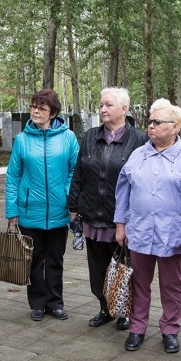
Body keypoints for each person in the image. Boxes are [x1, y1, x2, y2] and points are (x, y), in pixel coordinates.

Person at [114, 99, 181, 353]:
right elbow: (123, 191)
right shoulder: (139, 154)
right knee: (139, 282)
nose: (151, 126)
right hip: (139, 230)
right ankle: (137, 328)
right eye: (150, 121)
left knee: (172, 285)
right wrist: (120, 224)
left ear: (175, 127)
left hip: (172, 233)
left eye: (157, 122)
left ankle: (170, 329)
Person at [68, 88, 148, 330]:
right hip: (93, 215)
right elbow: (79, 175)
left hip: (122, 219)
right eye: (101, 105)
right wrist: (73, 207)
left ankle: (124, 310)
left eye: (108, 105)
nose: (102, 109)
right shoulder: (91, 136)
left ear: (123, 109)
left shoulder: (139, 139)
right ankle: (105, 308)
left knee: (124, 269)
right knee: (97, 270)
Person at [5, 89, 79, 321]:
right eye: (34, 107)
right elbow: (13, 176)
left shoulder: (68, 138)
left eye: (42, 108)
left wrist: (70, 200)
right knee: (34, 260)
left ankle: (55, 302)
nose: (36, 111)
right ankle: (37, 302)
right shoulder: (23, 140)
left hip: (59, 210)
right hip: (30, 209)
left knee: (55, 260)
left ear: (53, 113)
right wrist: (12, 210)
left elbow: (74, 171)